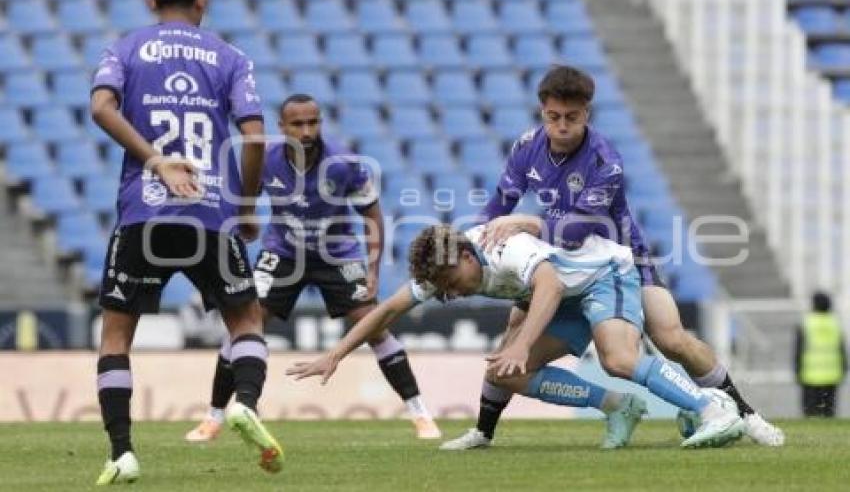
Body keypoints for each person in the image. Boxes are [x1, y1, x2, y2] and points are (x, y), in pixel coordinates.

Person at [441, 65, 784, 450]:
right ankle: (483, 432)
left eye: (572, 117)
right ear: (542, 113)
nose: (562, 126)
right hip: (564, 265)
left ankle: (744, 414)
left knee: (670, 339)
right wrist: (476, 241)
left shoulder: (604, 161)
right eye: (554, 117)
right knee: (513, 335)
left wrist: (525, 222)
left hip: (620, 261)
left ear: (587, 113)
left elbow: (574, 231)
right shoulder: (527, 147)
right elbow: (499, 204)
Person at [287, 224, 746, 450]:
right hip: (567, 301)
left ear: (468, 255)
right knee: (505, 373)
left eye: (453, 282)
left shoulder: (506, 248)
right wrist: (336, 354)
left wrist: (523, 342)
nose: (451, 293)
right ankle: (618, 407)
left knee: (618, 359)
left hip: (605, 277)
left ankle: (713, 407)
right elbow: (387, 309)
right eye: (443, 288)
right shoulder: (444, 267)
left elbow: (549, 285)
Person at [90, 0, 282, 485]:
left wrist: (155, 162)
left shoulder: (125, 48)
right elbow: (255, 137)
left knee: (116, 337)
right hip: (210, 211)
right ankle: (244, 404)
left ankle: (122, 453)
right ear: (203, 0)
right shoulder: (230, 57)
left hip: (143, 211)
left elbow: (101, 107)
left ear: (151, 0)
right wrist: (245, 207)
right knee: (246, 322)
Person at [184, 95, 440, 442]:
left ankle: (420, 414)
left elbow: (372, 215)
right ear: (282, 127)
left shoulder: (345, 163)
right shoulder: (265, 160)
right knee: (245, 325)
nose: (306, 131)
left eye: (313, 122)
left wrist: (373, 270)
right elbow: (242, 205)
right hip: (283, 252)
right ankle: (214, 417)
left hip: (337, 254)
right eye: (297, 124)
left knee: (372, 324)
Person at [795, 292, 847, 417]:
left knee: (810, 412)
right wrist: (844, 368)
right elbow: (842, 349)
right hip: (832, 375)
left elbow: (798, 350)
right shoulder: (835, 323)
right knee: (829, 412)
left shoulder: (806, 323)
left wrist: (797, 370)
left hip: (810, 375)